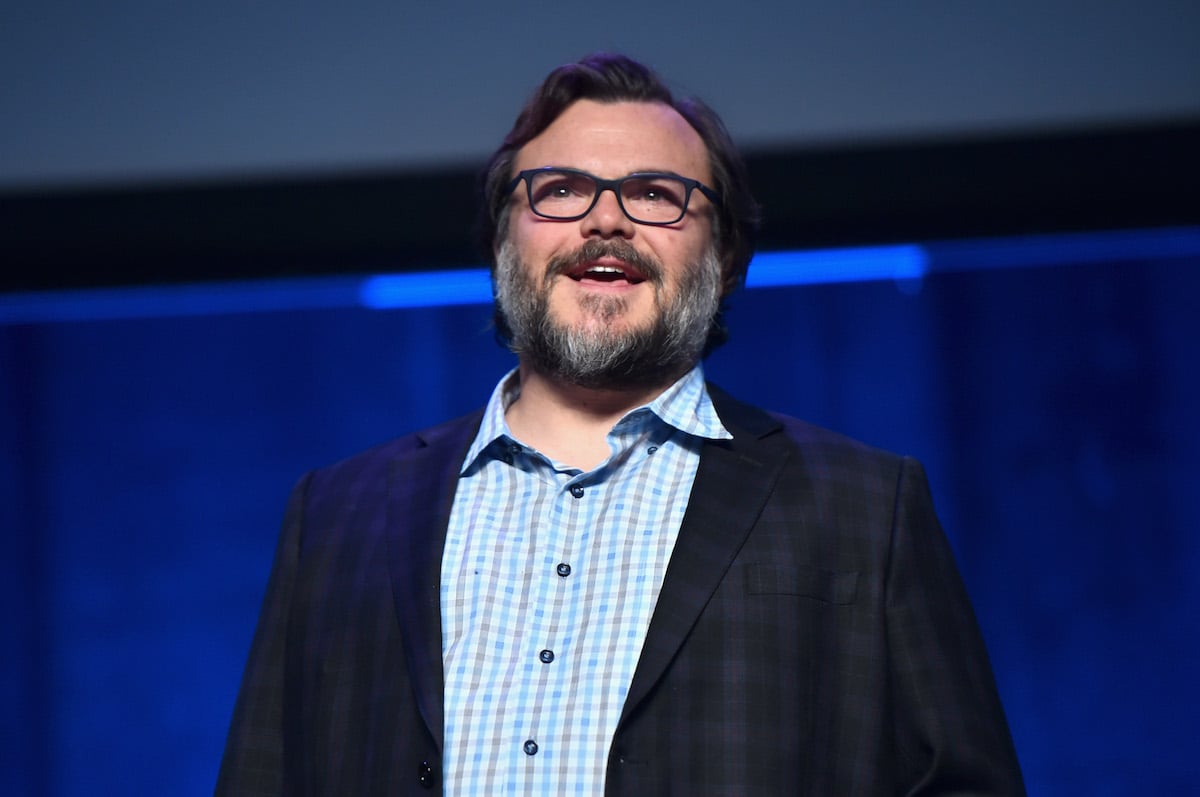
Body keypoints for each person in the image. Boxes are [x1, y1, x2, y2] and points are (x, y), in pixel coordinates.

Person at [216, 53, 1025, 795]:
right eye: (561, 189)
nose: (606, 221)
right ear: (504, 239)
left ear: (723, 253)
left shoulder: (864, 507)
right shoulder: (336, 514)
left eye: (654, 194)